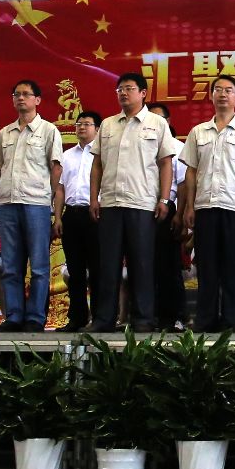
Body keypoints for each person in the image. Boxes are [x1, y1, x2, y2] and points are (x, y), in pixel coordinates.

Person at [90, 71, 181, 333]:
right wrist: (94, 198)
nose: (123, 93)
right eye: (120, 89)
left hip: (142, 203)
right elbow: (97, 165)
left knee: (142, 264)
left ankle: (143, 319)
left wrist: (164, 198)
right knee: (108, 264)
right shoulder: (108, 125)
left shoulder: (157, 123)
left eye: (129, 88)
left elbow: (166, 164)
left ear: (143, 93)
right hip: (110, 203)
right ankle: (104, 319)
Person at [181, 74, 235, 333]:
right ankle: (206, 319)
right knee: (207, 265)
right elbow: (191, 171)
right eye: (217, 89)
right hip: (205, 206)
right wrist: (190, 205)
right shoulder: (198, 131)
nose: (222, 94)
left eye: (228, 90)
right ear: (211, 96)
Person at [0, 79, 65, 333]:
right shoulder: (4, 133)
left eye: (26, 94)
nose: (20, 98)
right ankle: (14, 317)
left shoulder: (48, 130)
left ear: (37, 100)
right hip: (8, 204)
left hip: (36, 203)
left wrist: (48, 200)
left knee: (39, 266)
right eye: (16, 94)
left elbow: (55, 168)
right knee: (10, 266)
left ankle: (35, 318)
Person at [146, 102, 189, 331]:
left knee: (169, 267)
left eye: (159, 118)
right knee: (144, 266)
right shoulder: (140, 144)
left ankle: (174, 317)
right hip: (141, 207)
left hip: (167, 209)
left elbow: (183, 184)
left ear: (168, 122)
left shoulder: (177, 147)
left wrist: (179, 214)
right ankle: (146, 316)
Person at [57, 110, 99, 333]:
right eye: (78, 124)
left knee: (98, 268)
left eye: (87, 124)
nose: (81, 127)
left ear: (97, 129)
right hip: (71, 214)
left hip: (95, 215)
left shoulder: (102, 154)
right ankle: (77, 317)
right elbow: (60, 189)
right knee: (75, 270)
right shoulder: (67, 156)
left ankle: (100, 317)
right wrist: (58, 216)